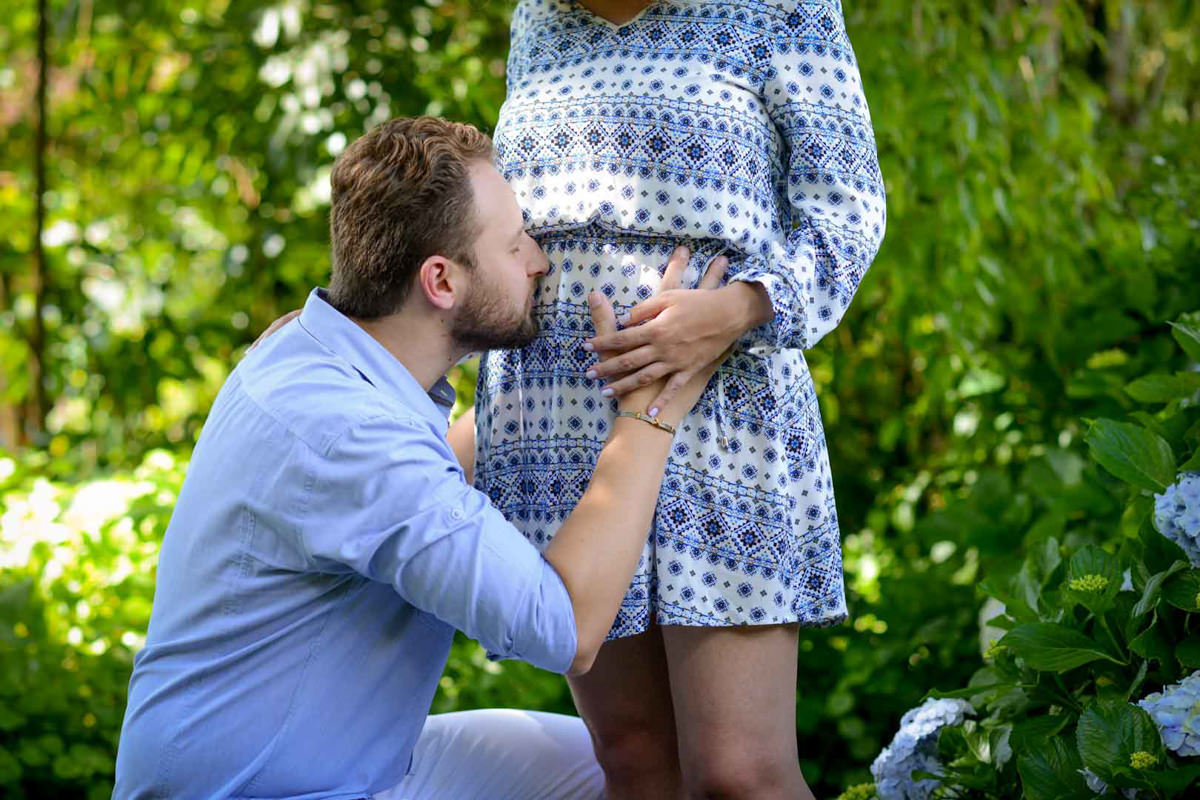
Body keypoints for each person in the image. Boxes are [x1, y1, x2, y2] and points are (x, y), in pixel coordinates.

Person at [112, 116, 727, 800]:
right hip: (260, 791)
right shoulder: (349, 435)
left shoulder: (312, 353)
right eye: (516, 242)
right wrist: (651, 407)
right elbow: (568, 628)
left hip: (314, 760)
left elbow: (429, 472)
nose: (539, 262)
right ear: (441, 281)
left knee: (631, 763)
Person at [470, 0, 887, 797]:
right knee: (631, 758)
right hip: (556, 426)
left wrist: (737, 311)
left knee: (742, 775)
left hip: (719, 415)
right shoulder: (539, 18)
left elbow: (848, 206)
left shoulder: (783, 8)